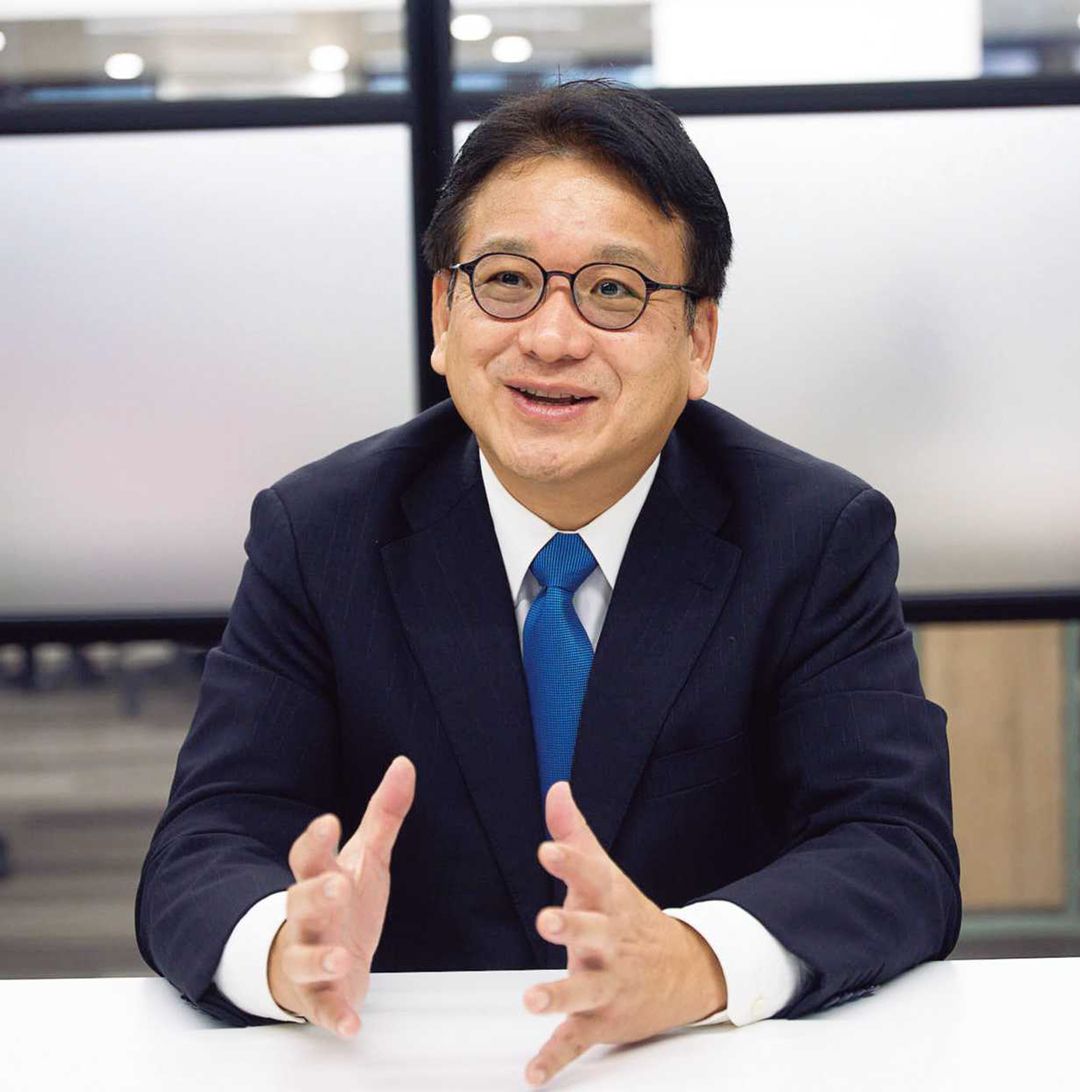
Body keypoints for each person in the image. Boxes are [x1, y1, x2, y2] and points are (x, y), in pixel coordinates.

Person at [136, 80, 960, 1087]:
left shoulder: (812, 536)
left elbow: (893, 847)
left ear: (698, 340)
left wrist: (693, 961)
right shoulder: (321, 535)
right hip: (401, 1066)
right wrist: (282, 945)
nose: (552, 338)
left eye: (613, 291)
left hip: (693, 1067)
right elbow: (205, 843)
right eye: (507, 281)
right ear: (443, 316)